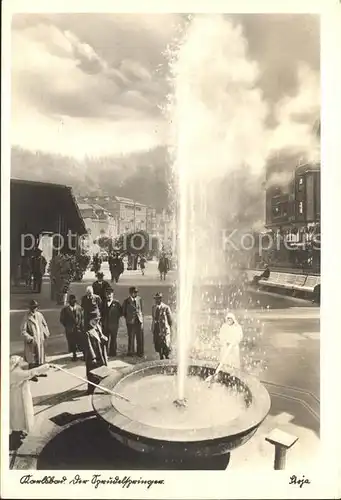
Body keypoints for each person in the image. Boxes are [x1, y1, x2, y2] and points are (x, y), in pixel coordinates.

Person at [10, 355, 51, 444]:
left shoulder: (14, 371)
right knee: (17, 416)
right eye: (21, 361)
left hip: (18, 397)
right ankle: (15, 436)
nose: (23, 362)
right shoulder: (15, 373)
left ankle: (19, 432)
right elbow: (30, 373)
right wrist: (46, 367)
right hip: (17, 399)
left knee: (19, 416)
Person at [206, 312, 243, 383]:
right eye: (228, 318)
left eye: (230, 319)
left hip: (233, 348)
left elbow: (239, 337)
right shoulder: (224, 326)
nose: (229, 320)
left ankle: (232, 377)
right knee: (224, 361)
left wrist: (233, 343)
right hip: (225, 347)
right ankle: (222, 376)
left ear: (233, 319)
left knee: (233, 363)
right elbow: (221, 336)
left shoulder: (237, 327)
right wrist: (225, 342)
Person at [20, 299, 50, 373]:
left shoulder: (39, 315)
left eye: (35, 307)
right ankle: (32, 374)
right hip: (31, 341)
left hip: (40, 339)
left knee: (40, 357)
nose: (34, 309)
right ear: (29, 308)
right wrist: (30, 338)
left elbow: (44, 324)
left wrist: (46, 333)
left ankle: (39, 372)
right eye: (32, 307)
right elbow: (23, 330)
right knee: (32, 359)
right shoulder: (26, 317)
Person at [83, 318, 108, 395]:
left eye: (98, 320)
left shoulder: (98, 326)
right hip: (93, 355)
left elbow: (101, 335)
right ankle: (91, 389)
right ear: (90, 320)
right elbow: (88, 346)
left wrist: (104, 337)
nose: (97, 322)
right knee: (92, 373)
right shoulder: (87, 331)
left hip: (101, 353)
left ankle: (101, 386)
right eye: (95, 320)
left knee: (102, 371)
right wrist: (92, 357)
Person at [59, 294, 84, 361]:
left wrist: (80, 325)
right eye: (71, 301)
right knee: (72, 342)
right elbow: (62, 319)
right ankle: (74, 355)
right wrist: (67, 326)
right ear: (69, 302)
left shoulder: (79, 308)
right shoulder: (65, 310)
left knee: (80, 342)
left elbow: (82, 317)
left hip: (78, 328)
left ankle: (83, 355)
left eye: (74, 301)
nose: (73, 302)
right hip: (70, 329)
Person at [122, 286, 144, 357]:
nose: (136, 294)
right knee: (131, 337)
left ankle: (140, 352)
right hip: (131, 322)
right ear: (130, 293)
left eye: (136, 292)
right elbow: (124, 312)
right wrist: (129, 318)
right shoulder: (126, 301)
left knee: (139, 337)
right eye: (134, 292)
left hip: (139, 321)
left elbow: (141, 309)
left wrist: (140, 318)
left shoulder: (139, 299)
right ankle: (130, 352)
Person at [151, 292, 173, 360]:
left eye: (158, 299)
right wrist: (153, 326)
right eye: (156, 299)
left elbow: (170, 319)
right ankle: (160, 355)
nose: (157, 300)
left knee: (165, 342)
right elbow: (153, 317)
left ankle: (166, 355)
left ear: (161, 299)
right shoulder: (154, 307)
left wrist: (169, 327)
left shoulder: (166, 307)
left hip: (163, 327)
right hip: (156, 327)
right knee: (157, 342)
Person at [102, 287, 122, 357]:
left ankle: (113, 353)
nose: (109, 295)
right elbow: (101, 313)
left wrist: (115, 319)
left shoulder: (116, 303)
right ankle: (104, 353)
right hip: (105, 325)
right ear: (105, 295)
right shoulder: (103, 303)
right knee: (105, 339)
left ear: (112, 294)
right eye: (107, 294)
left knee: (113, 339)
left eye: (110, 294)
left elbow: (120, 313)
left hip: (114, 325)